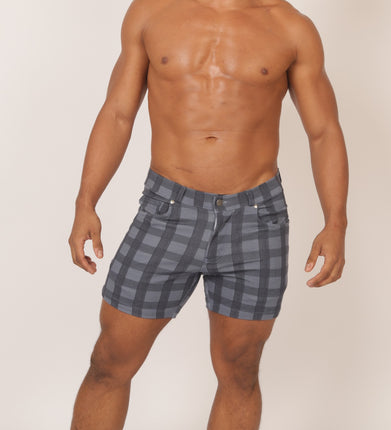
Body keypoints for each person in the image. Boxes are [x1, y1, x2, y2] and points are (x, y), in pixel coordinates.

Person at [68, 0, 348, 428]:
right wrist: (86, 201)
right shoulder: (151, 12)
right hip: (167, 210)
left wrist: (336, 222)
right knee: (111, 360)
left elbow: (324, 131)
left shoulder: (291, 28)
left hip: (256, 217)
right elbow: (118, 113)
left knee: (239, 373)